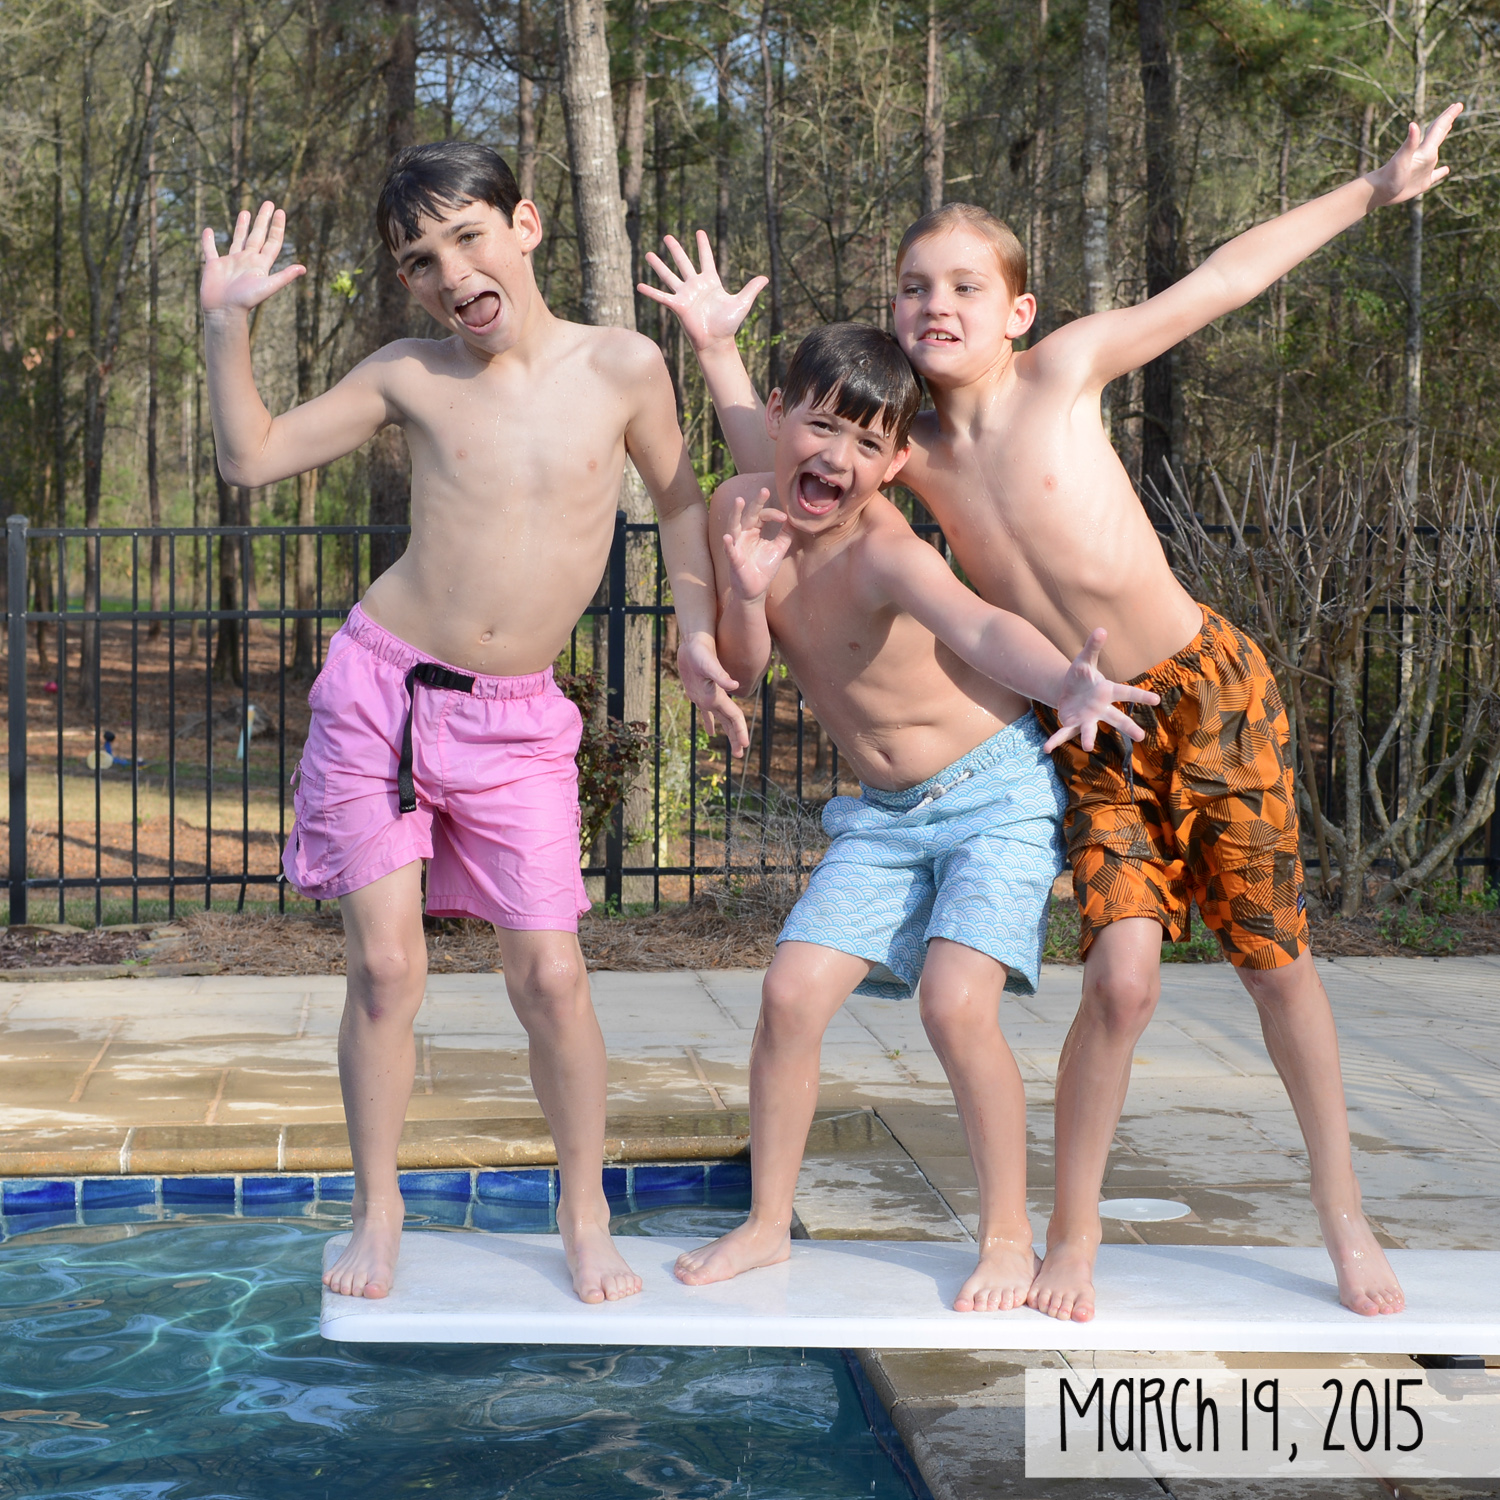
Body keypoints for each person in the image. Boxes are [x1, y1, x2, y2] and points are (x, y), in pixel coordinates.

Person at [643, 102, 1461, 1321]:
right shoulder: (904, 449)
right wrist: (715, 348)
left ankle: (1343, 1215)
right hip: (1084, 722)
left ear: (1018, 311)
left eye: (965, 286)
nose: (936, 305)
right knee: (1122, 983)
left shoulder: (1065, 370)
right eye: (915, 287)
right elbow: (780, 446)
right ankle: (1069, 1236)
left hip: (1204, 687)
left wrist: (1372, 191)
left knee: (1276, 965)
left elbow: (1222, 282)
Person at [200, 142, 747, 1305]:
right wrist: (226, 323)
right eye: (420, 259)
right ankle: (379, 1207)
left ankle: (584, 1210)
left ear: (526, 225)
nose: (451, 273)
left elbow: (680, 502)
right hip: (384, 694)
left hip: (519, 720)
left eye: (467, 237)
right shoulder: (409, 374)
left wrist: (697, 633)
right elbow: (251, 458)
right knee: (386, 968)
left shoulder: (624, 366)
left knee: (550, 976)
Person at [671, 322, 1158, 1310]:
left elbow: (979, 624)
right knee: (789, 995)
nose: (838, 459)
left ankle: (1008, 1236)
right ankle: (766, 1225)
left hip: (995, 798)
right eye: (821, 430)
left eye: (867, 444)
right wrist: (749, 595)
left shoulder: (886, 551)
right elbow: (748, 669)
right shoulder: (739, 511)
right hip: (886, 817)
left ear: (895, 463)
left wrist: (1065, 683)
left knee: (954, 1004)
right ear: (777, 419)